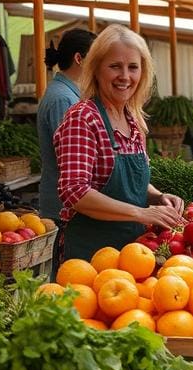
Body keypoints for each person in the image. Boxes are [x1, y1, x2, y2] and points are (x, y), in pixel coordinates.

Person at [54, 24, 184, 262]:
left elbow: (133, 186)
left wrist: (157, 197)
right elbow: (75, 191)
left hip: (134, 253)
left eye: (133, 67)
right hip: (91, 256)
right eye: (115, 66)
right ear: (96, 70)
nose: (125, 76)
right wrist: (141, 213)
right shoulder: (83, 118)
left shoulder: (133, 120)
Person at [37, 28, 97, 224]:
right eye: (96, 57)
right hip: (63, 208)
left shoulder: (68, 94)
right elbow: (70, 157)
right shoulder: (63, 99)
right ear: (79, 58)